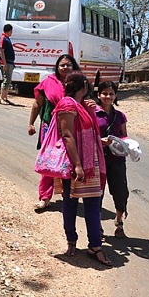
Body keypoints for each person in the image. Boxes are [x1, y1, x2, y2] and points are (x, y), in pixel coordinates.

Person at [54, 71, 110, 266]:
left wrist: (92, 111)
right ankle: (72, 240)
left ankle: (95, 246)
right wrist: (77, 165)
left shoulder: (84, 106)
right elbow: (67, 135)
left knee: (93, 204)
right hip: (75, 162)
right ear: (84, 87)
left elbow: (91, 131)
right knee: (70, 203)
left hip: (90, 163)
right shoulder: (67, 104)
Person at [28, 54, 80, 211]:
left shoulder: (78, 83)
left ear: (74, 66)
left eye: (68, 65)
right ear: (57, 67)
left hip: (72, 128)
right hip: (49, 127)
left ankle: (69, 196)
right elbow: (38, 103)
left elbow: (86, 101)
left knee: (71, 162)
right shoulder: (48, 83)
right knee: (50, 163)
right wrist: (30, 123)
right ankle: (45, 197)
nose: (65, 68)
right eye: (62, 65)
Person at [95, 81, 130, 238]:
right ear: (98, 95)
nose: (108, 96)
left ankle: (119, 221)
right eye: (105, 93)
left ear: (115, 96)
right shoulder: (92, 114)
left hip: (117, 160)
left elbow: (124, 136)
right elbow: (87, 135)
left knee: (120, 192)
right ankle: (97, 225)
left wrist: (127, 145)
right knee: (97, 193)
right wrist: (99, 140)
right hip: (97, 159)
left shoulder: (120, 116)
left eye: (111, 94)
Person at [0, 24, 16, 105]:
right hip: (5, 62)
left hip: (10, 62)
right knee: (6, 80)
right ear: (9, 30)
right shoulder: (3, 38)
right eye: (11, 31)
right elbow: (1, 50)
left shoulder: (7, 39)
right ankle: (1, 98)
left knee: (8, 80)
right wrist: (4, 63)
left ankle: (5, 97)